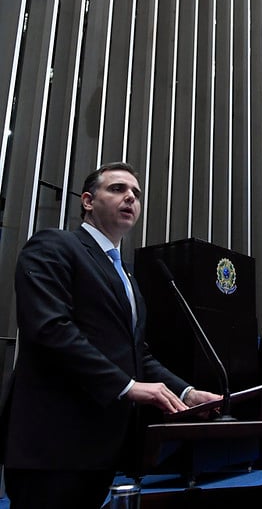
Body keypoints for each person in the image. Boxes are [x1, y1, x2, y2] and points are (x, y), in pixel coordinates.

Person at [0, 162, 221, 509]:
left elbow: (137, 354)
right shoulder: (55, 245)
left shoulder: (127, 277)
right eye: (117, 189)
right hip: (54, 445)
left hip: (101, 448)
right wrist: (128, 387)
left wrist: (186, 392)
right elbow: (50, 330)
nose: (130, 197)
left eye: (136, 193)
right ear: (88, 201)